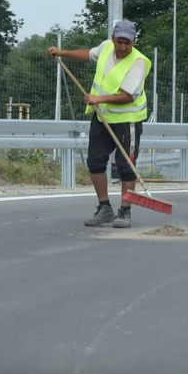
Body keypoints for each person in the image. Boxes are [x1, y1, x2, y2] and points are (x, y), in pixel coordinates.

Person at [48, 20, 152, 228]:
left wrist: (98, 99)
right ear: (113, 38)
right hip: (102, 118)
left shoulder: (139, 61)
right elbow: (88, 55)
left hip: (127, 122)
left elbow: (128, 96)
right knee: (95, 162)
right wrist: (62, 53)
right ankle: (104, 208)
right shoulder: (106, 48)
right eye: (119, 41)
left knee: (126, 167)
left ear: (133, 41)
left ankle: (125, 211)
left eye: (127, 43)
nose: (123, 47)